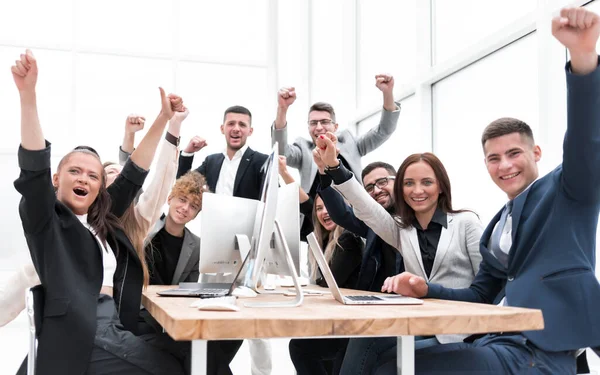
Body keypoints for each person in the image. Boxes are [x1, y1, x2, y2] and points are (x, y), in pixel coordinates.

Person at [376, 7, 600, 374]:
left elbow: (585, 139)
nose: (505, 165)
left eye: (514, 154)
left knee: (397, 368)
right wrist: (424, 288)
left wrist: (583, 59)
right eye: (494, 158)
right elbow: (479, 295)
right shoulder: (498, 225)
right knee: (390, 361)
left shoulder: (568, 191)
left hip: (541, 351)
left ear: (536, 153)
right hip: (495, 339)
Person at [12, 49, 187, 374]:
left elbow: (136, 171)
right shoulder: (45, 220)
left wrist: (164, 119)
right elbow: (33, 166)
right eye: (75, 172)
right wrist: (27, 95)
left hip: (113, 322)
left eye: (93, 175)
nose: (85, 179)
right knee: (176, 368)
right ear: (56, 179)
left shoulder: (102, 216)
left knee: (192, 351)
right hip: (84, 332)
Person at [271, 75, 401, 238]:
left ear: (335, 126)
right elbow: (280, 151)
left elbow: (384, 131)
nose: (319, 127)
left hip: (353, 218)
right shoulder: (305, 149)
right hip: (316, 222)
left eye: (324, 122)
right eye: (313, 123)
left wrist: (387, 93)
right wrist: (282, 109)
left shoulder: (350, 144)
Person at [288, 195, 364, 375]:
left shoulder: (348, 240)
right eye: (319, 208)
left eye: (328, 206)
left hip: (350, 327)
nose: (324, 212)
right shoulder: (326, 241)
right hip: (337, 320)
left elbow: (329, 284)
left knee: (300, 347)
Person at [176, 105, 268, 200]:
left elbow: (272, 199)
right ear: (222, 129)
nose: (236, 129)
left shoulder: (262, 161)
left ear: (250, 131)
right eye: (231, 123)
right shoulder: (211, 162)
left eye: (242, 124)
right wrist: (188, 153)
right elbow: (183, 187)